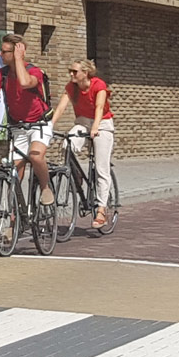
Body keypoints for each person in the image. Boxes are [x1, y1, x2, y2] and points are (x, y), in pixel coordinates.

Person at [0, 31, 54, 205]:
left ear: (18, 52)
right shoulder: (0, 74)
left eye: (5, 51)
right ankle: (14, 221)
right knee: (15, 172)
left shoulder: (34, 71)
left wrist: (19, 60)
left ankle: (45, 187)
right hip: (18, 125)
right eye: (1, 50)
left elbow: (26, 83)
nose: (0, 54)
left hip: (39, 124)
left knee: (35, 157)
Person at [50, 58, 115, 230]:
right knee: (67, 144)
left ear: (85, 73)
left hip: (102, 124)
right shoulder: (71, 87)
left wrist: (95, 128)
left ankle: (101, 210)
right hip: (82, 122)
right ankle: (76, 174)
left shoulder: (98, 85)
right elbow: (61, 107)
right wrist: (50, 126)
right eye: (70, 71)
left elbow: (100, 107)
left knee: (101, 169)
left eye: (74, 71)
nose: (71, 74)